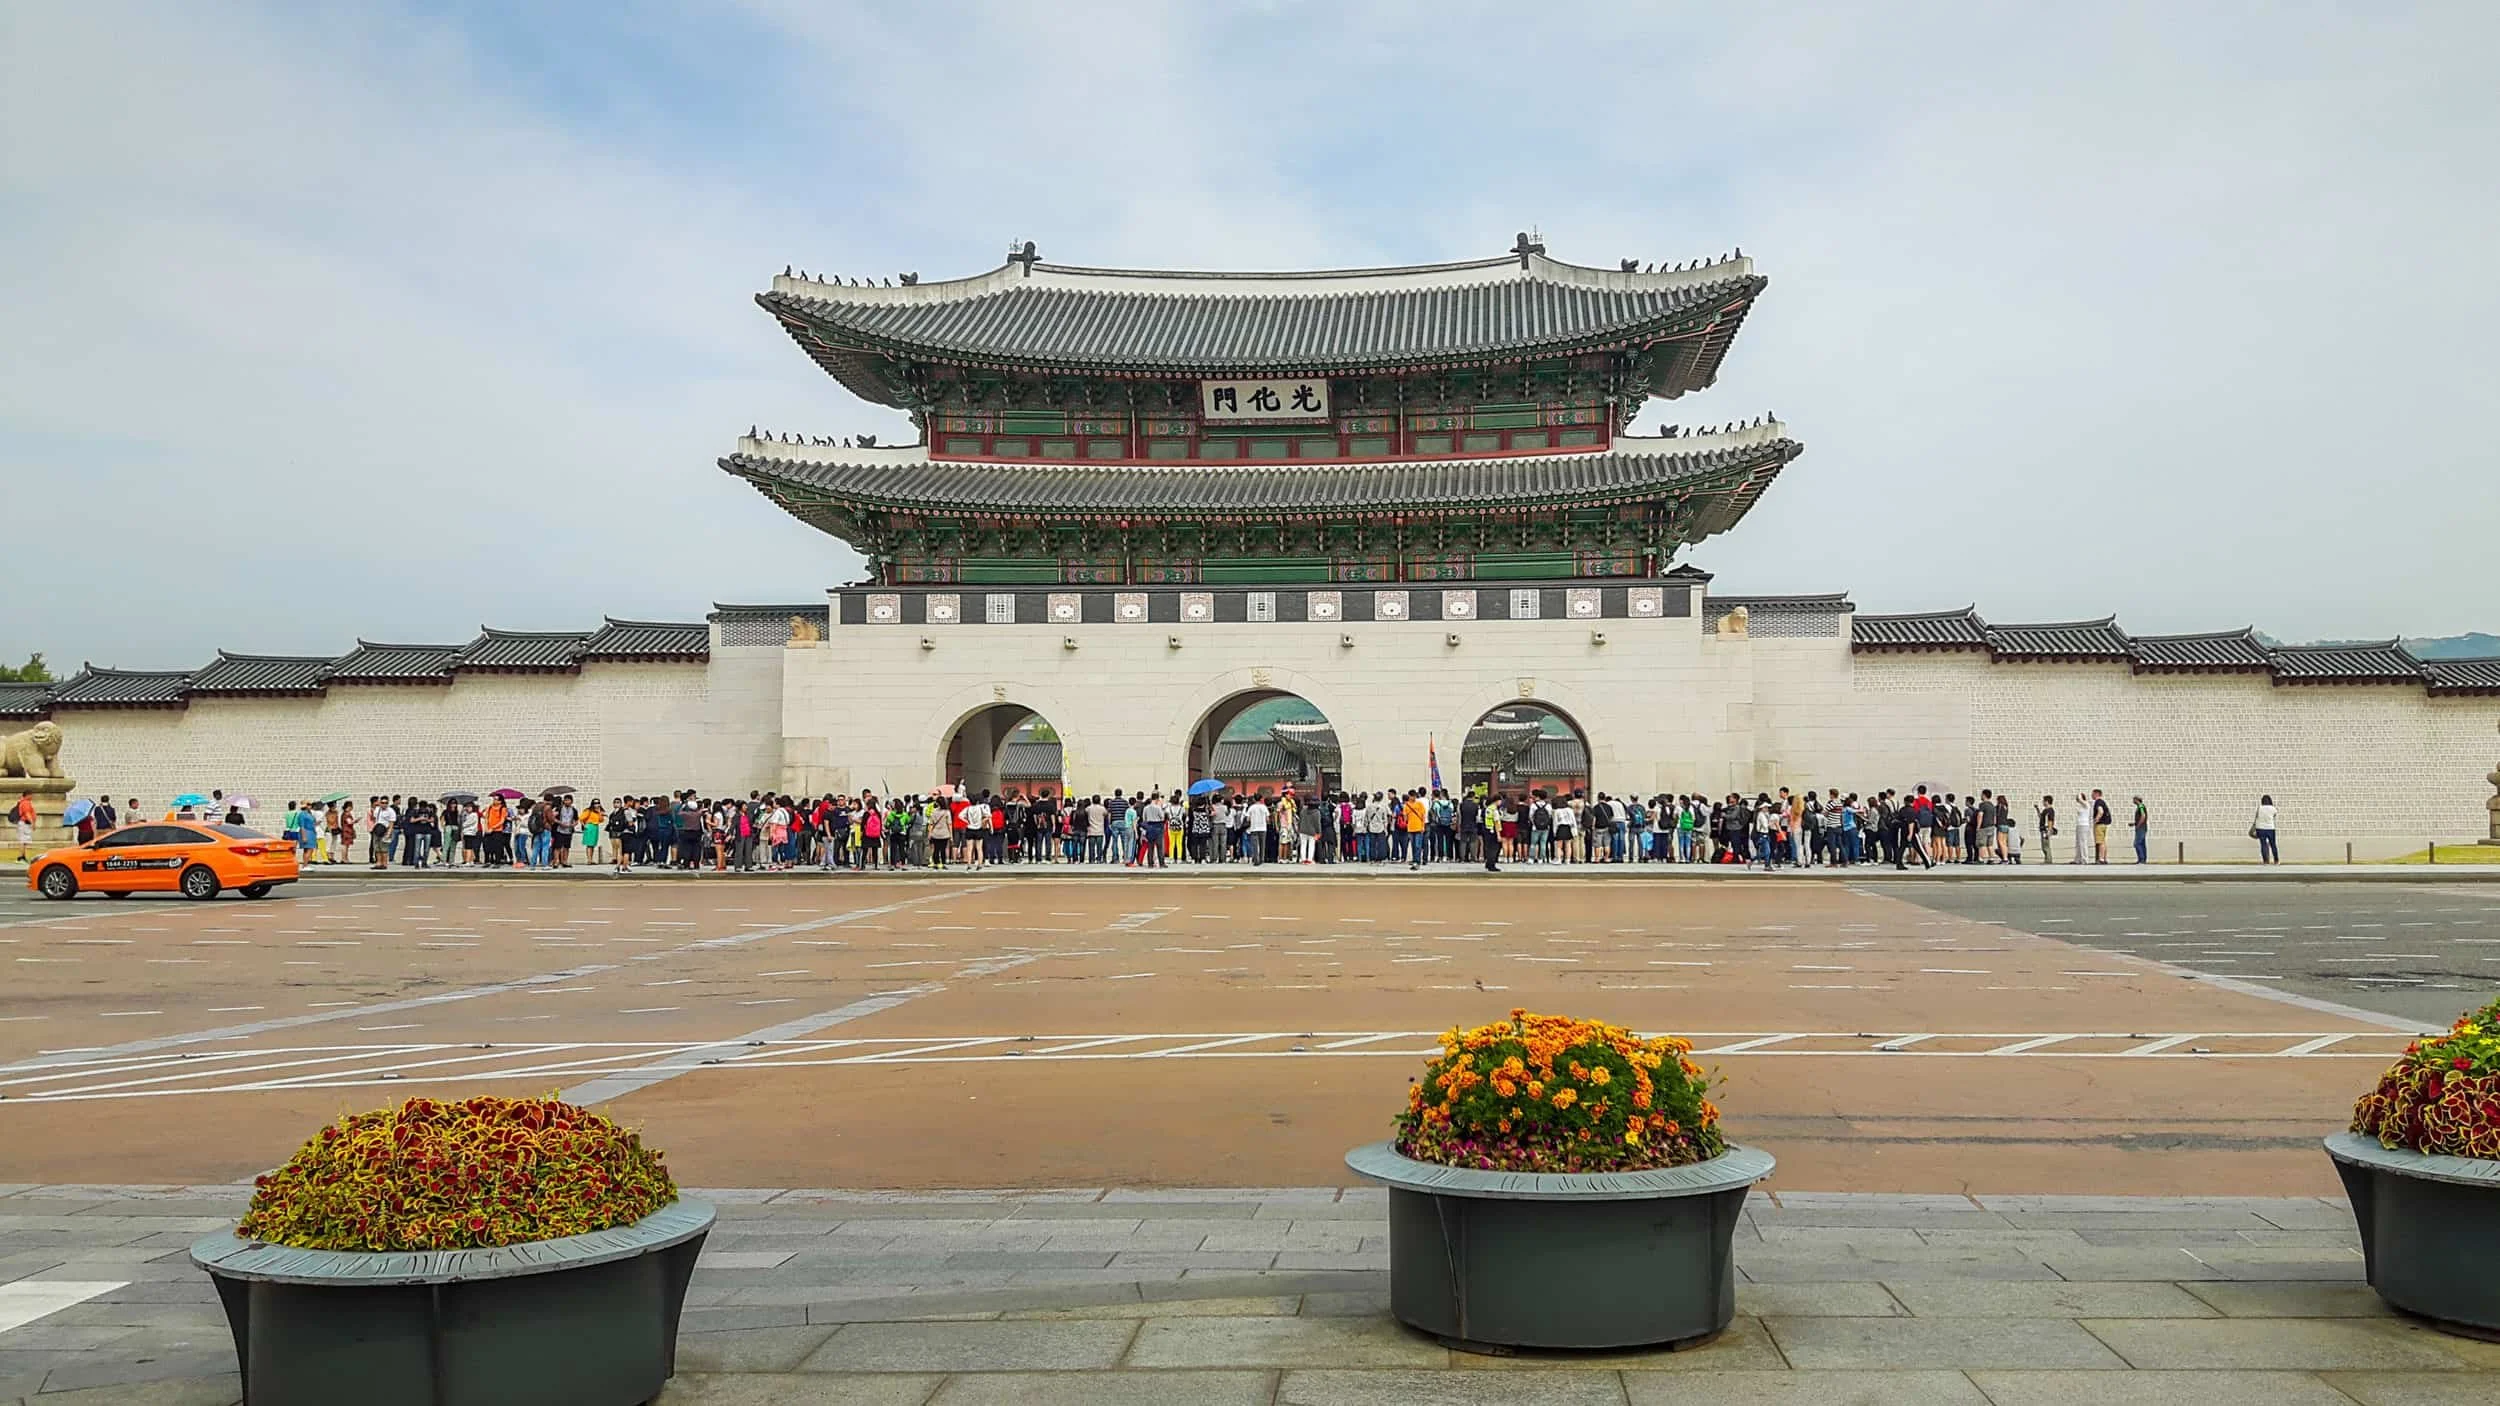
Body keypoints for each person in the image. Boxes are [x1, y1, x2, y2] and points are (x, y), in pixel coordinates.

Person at [2252, 795, 2280, 864]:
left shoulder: (2260, 808)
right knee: (2273, 844)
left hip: (2260, 828)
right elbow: (2274, 815)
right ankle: (2276, 860)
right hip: (2270, 828)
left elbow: (2256, 817)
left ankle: (2265, 861)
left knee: (2263, 844)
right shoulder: (2273, 808)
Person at [2090, 789, 2113, 865]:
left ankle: (2101, 859)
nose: (2091, 795)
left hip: (2099, 825)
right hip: (2104, 825)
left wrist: (2096, 820)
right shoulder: (2103, 802)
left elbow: (2101, 811)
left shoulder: (2098, 802)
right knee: (2103, 842)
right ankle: (2104, 858)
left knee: (2100, 842)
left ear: (2096, 794)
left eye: (2092, 794)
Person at [12, 791, 34, 860]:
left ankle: (23, 857)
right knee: (23, 840)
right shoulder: (26, 803)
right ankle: (20, 857)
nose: (32, 797)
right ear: (27, 795)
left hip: (23, 823)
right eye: (31, 795)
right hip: (24, 823)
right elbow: (27, 813)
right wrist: (32, 823)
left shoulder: (23, 802)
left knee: (24, 841)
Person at [2130, 796, 2149, 864]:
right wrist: (2134, 824)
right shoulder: (2140, 807)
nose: (2133, 801)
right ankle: (2143, 859)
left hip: (2141, 828)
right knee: (2142, 844)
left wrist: (2138, 825)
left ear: (2137, 800)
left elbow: (2143, 816)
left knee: (2137, 843)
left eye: (2134, 800)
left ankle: (2141, 859)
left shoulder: (2141, 806)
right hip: (2142, 827)